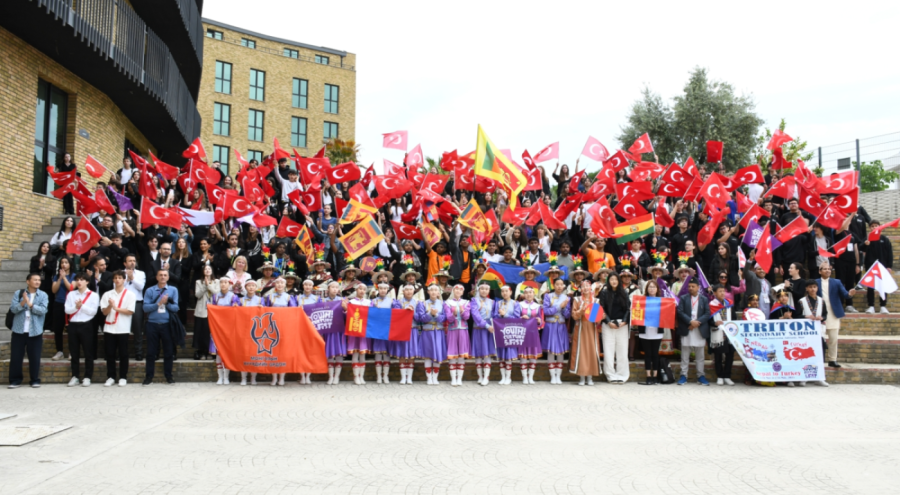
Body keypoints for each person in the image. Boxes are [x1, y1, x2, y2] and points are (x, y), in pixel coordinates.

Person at [8, 273, 49, 389]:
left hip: (35, 330)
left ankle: (35, 380)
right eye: (35, 280)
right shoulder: (19, 293)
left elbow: (43, 310)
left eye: (39, 280)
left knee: (35, 357)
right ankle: (15, 380)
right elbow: (13, 309)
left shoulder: (43, 295)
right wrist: (23, 302)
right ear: (28, 281)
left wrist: (30, 305)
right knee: (16, 356)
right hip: (18, 330)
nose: (37, 282)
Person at [142, 269, 179, 386]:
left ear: (168, 277)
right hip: (152, 324)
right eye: (160, 275)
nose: (163, 277)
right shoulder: (150, 290)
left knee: (168, 352)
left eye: (165, 275)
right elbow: (145, 308)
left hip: (167, 324)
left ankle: (169, 376)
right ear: (157, 277)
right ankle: (148, 376)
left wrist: (166, 303)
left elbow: (176, 308)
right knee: (151, 352)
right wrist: (158, 303)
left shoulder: (173, 290)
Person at [100, 270, 136, 387]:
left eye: (120, 278)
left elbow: (130, 311)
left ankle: (123, 377)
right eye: (115, 278)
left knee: (123, 354)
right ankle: (111, 376)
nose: (117, 280)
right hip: (109, 328)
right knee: (110, 354)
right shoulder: (107, 294)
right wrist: (110, 306)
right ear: (113, 280)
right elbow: (104, 312)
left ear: (124, 280)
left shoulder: (130, 294)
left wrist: (116, 308)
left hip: (123, 328)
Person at [816, 262, 855, 368]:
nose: (828, 270)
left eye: (829, 269)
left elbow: (845, 294)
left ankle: (832, 359)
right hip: (819, 316)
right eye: (824, 269)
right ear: (820, 271)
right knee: (820, 339)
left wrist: (849, 294)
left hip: (833, 314)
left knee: (833, 339)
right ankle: (820, 359)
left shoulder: (836, 282)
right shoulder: (815, 283)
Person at [64, 272, 100, 387]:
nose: (79, 282)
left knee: (88, 352)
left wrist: (81, 306)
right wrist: (76, 307)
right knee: (74, 352)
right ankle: (75, 376)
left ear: (87, 282)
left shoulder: (93, 295)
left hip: (87, 325)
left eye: (82, 280)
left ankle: (87, 377)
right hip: (73, 325)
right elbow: (67, 310)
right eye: (77, 280)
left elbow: (93, 312)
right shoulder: (71, 294)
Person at [675, 278, 712, 385]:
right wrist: (690, 322)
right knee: (685, 354)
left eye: (693, 286)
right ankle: (683, 375)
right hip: (687, 328)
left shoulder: (704, 299)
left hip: (699, 328)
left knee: (700, 355)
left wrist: (697, 322)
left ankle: (701, 375)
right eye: (689, 286)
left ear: (698, 288)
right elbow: (680, 312)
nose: (691, 288)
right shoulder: (683, 298)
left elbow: (707, 313)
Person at [263, 277, 297, 386]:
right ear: (275, 285)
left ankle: (282, 377)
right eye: (278, 283)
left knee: (283, 353)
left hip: (284, 328)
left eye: (282, 283)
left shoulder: (289, 297)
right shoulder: (269, 297)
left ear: (285, 285)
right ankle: (273, 377)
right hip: (272, 328)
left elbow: (293, 312)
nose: (280, 285)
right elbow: (264, 311)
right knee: (272, 352)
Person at [797, 279, 830, 387]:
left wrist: (822, 317)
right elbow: (797, 316)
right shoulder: (801, 301)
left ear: (817, 288)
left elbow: (825, 314)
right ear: (806, 289)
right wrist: (806, 316)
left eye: (814, 287)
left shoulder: (821, 300)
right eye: (810, 287)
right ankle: (804, 377)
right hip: (806, 332)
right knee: (805, 354)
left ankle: (819, 377)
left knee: (820, 354)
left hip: (819, 331)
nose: (812, 289)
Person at [599, 273, 630, 384]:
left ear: (619, 281)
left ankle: (622, 374)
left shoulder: (624, 292)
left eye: (615, 279)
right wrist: (608, 322)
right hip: (608, 325)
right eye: (611, 279)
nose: (614, 281)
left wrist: (625, 321)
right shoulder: (604, 292)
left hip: (622, 324)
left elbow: (628, 308)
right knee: (608, 351)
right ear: (609, 281)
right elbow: (601, 308)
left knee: (622, 350)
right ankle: (611, 375)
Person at [570, 280, 601, 385]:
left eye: (588, 286)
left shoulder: (596, 301)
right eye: (583, 286)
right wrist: (581, 311)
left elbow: (597, 319)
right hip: (581, 328)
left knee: (591, 351)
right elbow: (574, 316)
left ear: (591, 288)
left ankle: (590, 377)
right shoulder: (577, 300)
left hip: (592, 328)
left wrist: (601, 317)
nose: (586, 288)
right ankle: (582, 377)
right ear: (580, 289)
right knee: (581, 351)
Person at [415, 285, 448, 385]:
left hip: (438, 331)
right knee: (427, 355)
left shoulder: (443, 303)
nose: (433, 292)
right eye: (431, 290)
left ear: (439, 293)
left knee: (438, 353)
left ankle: (435, 377)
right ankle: (429, 378)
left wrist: (436, 315)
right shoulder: (423, 303)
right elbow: (421, 318)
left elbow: (445, 318)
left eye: (436, 290)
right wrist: (430, 314)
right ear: (428, 292)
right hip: (427, 331)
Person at [635, 280, 666, 385]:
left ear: (657, 289)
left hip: (657, 331)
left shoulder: (662, 301)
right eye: (650, 287)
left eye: (654, 287)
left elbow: (667, 313)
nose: (652, 289)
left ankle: (655, 377)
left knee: (655, 354)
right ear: (646, 289)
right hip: (645, 331)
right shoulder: (642, 301)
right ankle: (648, 377)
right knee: (647, 354)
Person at [390, 284, 421, 385]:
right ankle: (403, 377)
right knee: (402, 353)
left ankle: (410, 377)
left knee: (411, 354)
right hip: (402, 330)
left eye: (410, 290)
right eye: (406, 290)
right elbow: (396, 316)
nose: (408, 292)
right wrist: (404, 311)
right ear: (403, 291)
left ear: (414, 291)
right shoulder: (398, 302)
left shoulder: (417, 302)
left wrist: (413, 313)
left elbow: (420, 318)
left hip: (413, 329)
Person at [542, 278, 571, 385]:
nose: (559, 286)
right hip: (550, 325)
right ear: (553, 285)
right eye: (557, 284)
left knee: (561, 351)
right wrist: (559, 306)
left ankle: (558, 376)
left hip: (561, 326)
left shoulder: (567, 298)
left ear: (564, 286)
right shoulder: (547, 296)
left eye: (561, 284)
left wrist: (564, 309)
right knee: (550, 351)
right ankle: (552, 376)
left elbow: (568, 315)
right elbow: (545, 311)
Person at [863, 220, 893, 313]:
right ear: (870, 228)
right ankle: (871, 306)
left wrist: (889, 266)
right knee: (870, 287)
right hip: (870, 267)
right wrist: (865, 244)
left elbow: (890, 254)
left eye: (876, 226)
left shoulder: (885, 239)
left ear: (880, 227)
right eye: (872, 226)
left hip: (882, 267)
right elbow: (861, 248)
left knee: (883, 286)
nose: (874, 227)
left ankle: (883, 306)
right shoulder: (867, 240)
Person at [444, 284, 471, 387]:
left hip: (463, 330)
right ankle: (453, 379)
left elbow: (467, 317)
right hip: (452, 330)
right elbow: (448, 318)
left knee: (461, 355)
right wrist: (453, 314)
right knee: (452, 355)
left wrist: (463, 311)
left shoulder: (466, 302)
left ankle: (459, 378)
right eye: (456, 289)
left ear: (463, 292)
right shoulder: (447, 302)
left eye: (460, 290)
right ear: (453, 291)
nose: (458, 291)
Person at [709, 284, 736, 386]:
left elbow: (733, 318)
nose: (722, 293)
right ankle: (720, 376)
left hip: (729, 333)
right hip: (718, 333)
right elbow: (709, 320)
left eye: (723, 291)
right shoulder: (712, 304)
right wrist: (714, 323)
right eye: (720, 291)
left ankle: (727, 376)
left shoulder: (729, 303)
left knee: (730, 356)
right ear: (715, 293)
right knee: (718, 355)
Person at [236, 279, 262, 386]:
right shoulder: (240, 300)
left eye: (253, 286)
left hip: (256, 330)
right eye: (249, 286)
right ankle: (243, 378)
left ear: (256, 288)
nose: (251, 288)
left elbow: (266, 313)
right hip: (244, 330)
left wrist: (263, 308)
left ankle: (253, 378)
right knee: (244, 354)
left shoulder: (261, 300)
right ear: (246, 287)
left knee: (255, 355)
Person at [470, 282, 496, 386]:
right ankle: (480, 376)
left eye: (486, 289)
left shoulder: (493, 302)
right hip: (479, 328)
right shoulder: (474, 301)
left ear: (489, 291)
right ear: (478, 290)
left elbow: (494, 316)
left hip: (489, 330)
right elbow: (475, 316)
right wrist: (486, 325)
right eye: (482, 289)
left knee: (487, 353)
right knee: (478, 353)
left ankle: (486, 377)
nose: (484, 291)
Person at [49, 257, 75, 361]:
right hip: (59, 304)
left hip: (70, 305)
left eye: (66, 262)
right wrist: (60, 278)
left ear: (70, 264)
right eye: (62, 263)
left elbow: (71, 288)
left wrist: (64, 278)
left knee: (71, 330)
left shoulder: (74, 276)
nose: (63, 264)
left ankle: (72, 351)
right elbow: (54, 290)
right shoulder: (56, 276)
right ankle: (59, 351)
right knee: (58, 329)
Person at [121, 255, 146, 361]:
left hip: (137, 303)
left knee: (137, 329)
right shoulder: (120, 273)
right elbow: (117, 287)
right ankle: (122, 353)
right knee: (122, 329)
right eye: (130, 261)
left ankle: (138, 352)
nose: (132, 262)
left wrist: (132, 278)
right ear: (125, 263)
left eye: (134, 261)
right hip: (123, 304)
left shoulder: (141, 273)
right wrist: (126, 278)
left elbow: (141, 287)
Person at [322, 282, 346, 385]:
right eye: (333, 287)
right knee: (330, 353)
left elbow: (347, 316)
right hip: (328, 330)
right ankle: (330, 376)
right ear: (328, 288)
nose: (335, 289)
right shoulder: (323, 300)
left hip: (339, 330)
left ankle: (337, 377)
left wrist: (345, 308)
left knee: (339, 353)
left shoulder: (342, 300)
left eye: (337, 287)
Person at [370, 283, 394, 384]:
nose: (383, 290)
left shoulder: (392, 301)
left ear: (387, 290)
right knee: (378, 353)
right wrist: (374, 309)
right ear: (378, 289)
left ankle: (386, 376)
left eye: (385, 288)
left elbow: (395, 314)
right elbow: (369, 315)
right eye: (381, 288)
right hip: (377, 330)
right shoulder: (373, 301)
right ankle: (379, 376)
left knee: (386, 353)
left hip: (387, 329)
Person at [193, 265, 217, 361]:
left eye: (209, 269)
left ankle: (210, 351)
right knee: (201, 332)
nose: (207, 270)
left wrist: (209, 285)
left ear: (212, 271)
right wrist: (204, 286)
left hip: (213, 310)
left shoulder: (217, 282)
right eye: (205, 269)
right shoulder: (198, 282)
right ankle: (202, 351)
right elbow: (197, 295)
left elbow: (217, 293)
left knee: (211, 332)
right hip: (201, 310)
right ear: (203, 271)